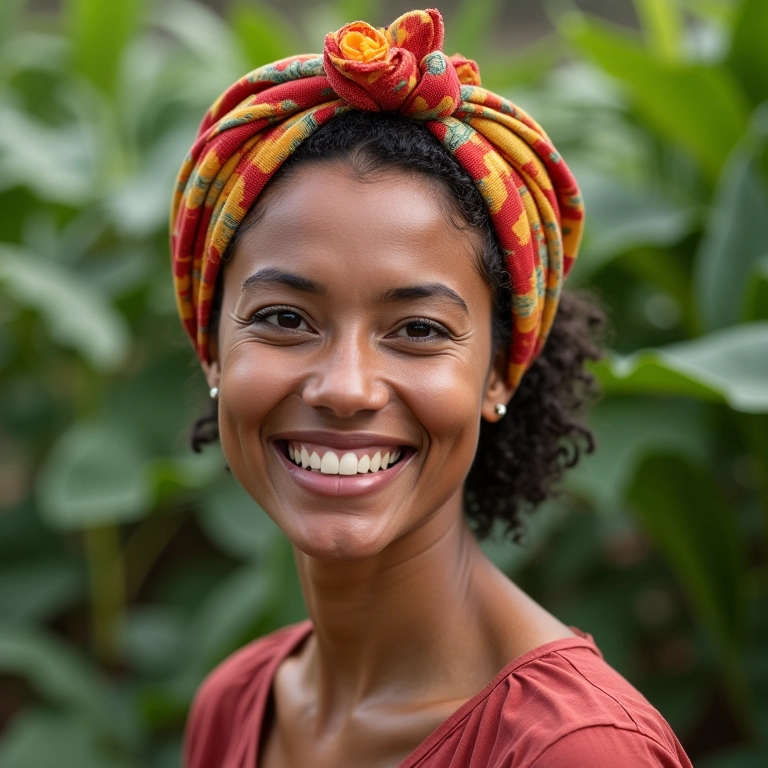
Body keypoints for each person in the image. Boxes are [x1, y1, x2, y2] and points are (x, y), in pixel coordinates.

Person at [171, 9, 693, 767]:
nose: (346, 388)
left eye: (417, 330)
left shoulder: (574, 751)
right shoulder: (237, 705)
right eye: (285, 317)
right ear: (213, 351)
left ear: (498, 372)